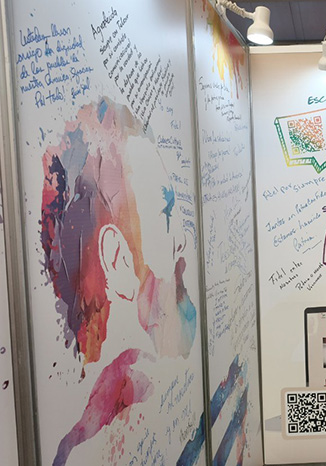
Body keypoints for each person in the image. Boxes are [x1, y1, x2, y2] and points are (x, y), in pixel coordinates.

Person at [40, 98, 197, 465]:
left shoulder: (147, 386)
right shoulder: (101, 436)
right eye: (167, 214)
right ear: (117, 259)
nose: (182, 241)